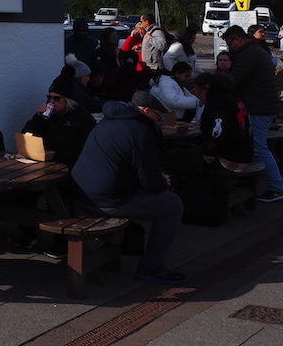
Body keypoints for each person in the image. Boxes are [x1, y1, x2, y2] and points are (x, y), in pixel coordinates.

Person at [71, 95, 185, 284]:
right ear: (147, 111)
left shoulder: (108, 121)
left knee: (139, 193)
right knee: (173, 204)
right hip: (105, 200)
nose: (160, 122)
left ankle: (117, 254)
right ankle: (152, 266)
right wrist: (163, 180)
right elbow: (150, 182)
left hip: (79, 191)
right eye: (159, 117)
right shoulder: (139, 131)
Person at [222, 25, 283, 202]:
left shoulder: (249, 55)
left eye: (229, 43)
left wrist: (215, 82)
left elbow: (234, 80)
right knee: (256, 147)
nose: (229, 48)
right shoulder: (255, 51)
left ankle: (277, 186)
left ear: (237, 39)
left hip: (259, 107)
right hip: (264, 105)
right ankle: (264, 183)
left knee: (259, 148)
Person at [21, 86, 96, 167]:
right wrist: (38, 117)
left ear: (67, 100)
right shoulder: (51, 115)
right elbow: (27, 134)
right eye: (49, 98)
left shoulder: (82, 118)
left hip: (69, 165)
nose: (51, 101)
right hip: (47, 162)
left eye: (56, 98)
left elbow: (85, 149)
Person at [191, 73, 252, 166]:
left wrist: (207, 152)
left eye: (198, 91)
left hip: (229, 157)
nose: (197, 96)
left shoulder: (217, 102)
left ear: (206, 88)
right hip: (244, 152)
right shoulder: (234, 97)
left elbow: (217, 132)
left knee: (178, 157)